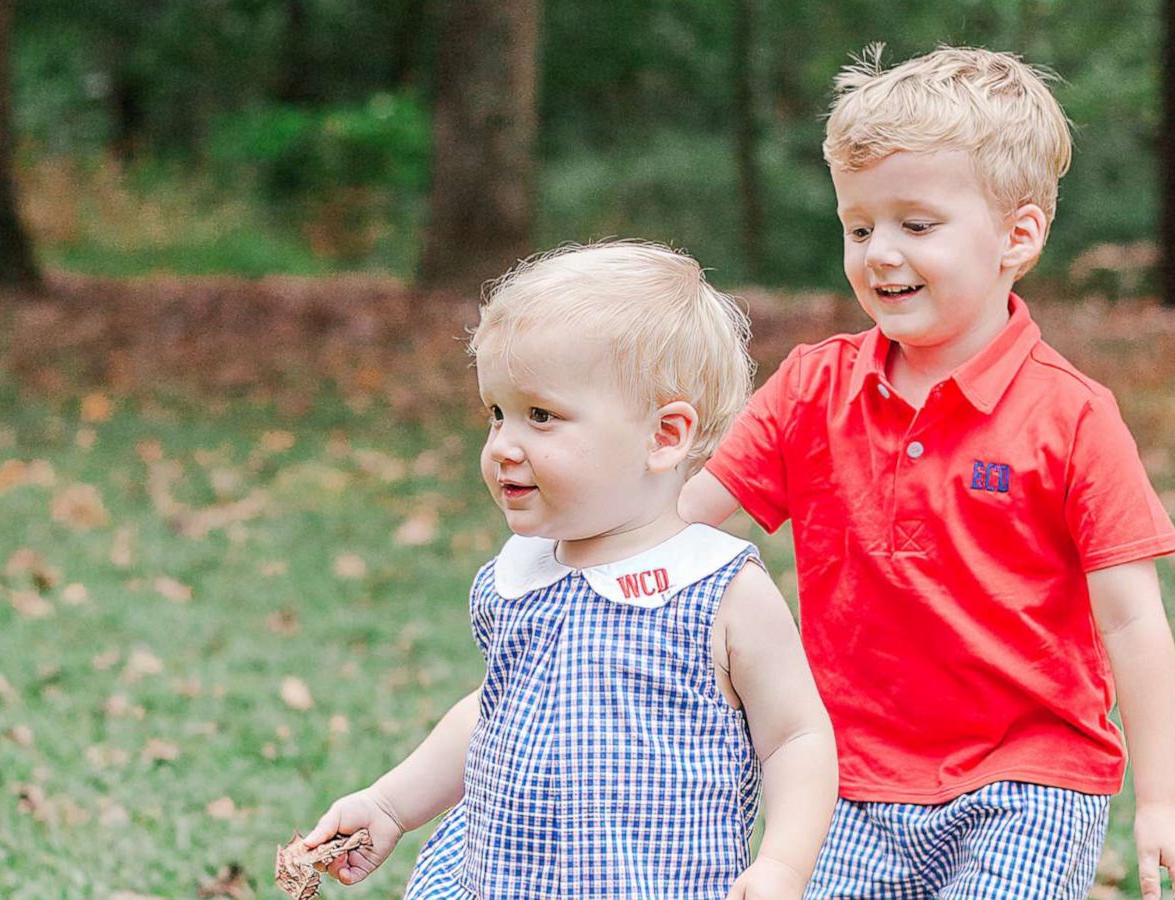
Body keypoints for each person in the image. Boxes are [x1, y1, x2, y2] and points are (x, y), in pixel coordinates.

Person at [680, 46, 1175, 900]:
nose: (879, 252)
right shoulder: (814, 386)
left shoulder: (1072, 417)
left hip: (1031, 777)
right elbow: (682, 521)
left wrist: (1163, 803)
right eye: (858, 226)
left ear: (1018, 237)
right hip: (847, 776)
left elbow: (1134, 621)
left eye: (916, 225)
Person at [300, 241, 838, 899]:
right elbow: (493, 712)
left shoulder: (719, 591)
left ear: (664, 436)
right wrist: (390, 804)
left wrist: (781, 866)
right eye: (496, 413)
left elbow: (795, 738)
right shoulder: (521, 574)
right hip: (499, 880)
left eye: (540, 416)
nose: (502, 445)